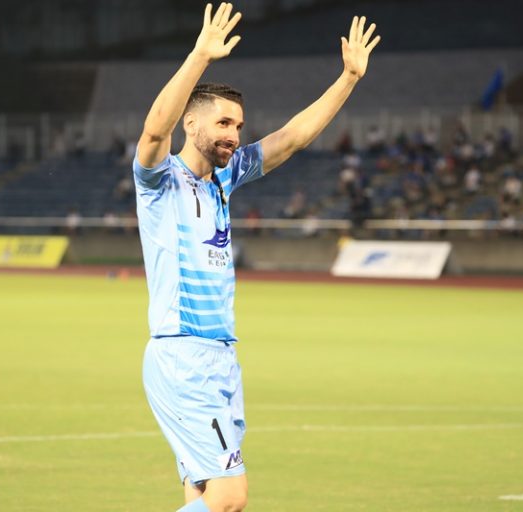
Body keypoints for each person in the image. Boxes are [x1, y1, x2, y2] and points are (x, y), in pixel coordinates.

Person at [133, 4, 379, 511]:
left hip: (220, 357)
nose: (233, 134)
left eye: (239, 126)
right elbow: (155, 132)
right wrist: (200, 57)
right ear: (191, 123)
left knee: (202, 494)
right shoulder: (160, 180)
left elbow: (292, 138)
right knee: (230, 496)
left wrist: (349, 79)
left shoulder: (225, 178)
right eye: (223, 122)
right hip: (184, 355)